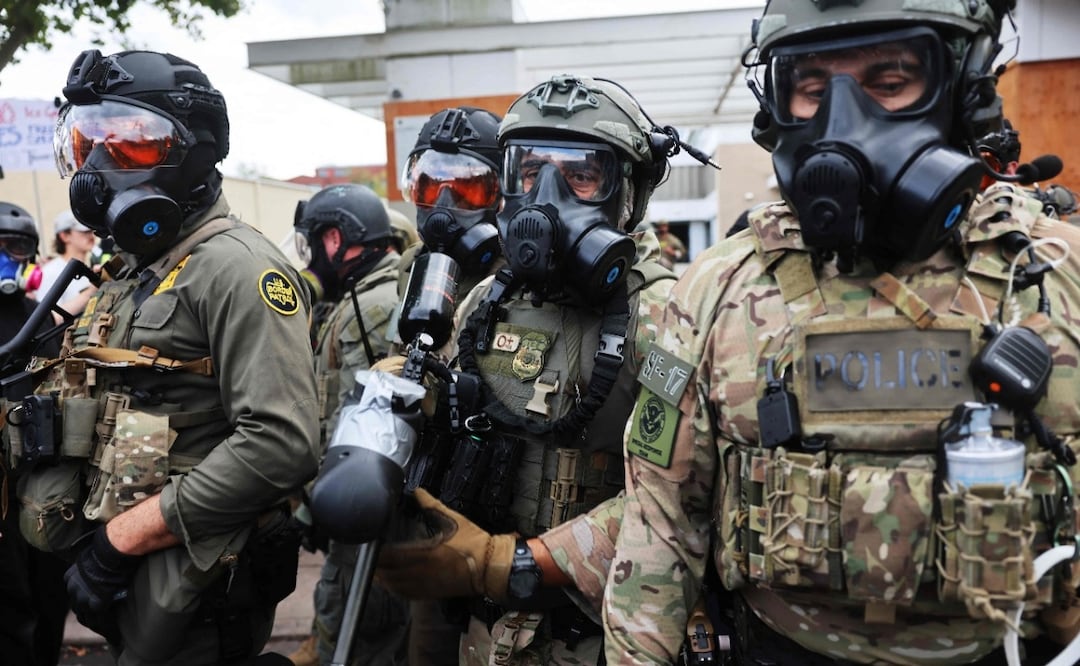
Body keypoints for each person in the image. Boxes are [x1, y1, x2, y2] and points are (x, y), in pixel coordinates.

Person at [601, 1, 1080, 664]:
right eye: (814, 91)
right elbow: (658, 529)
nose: (844, 122)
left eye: (890, 83)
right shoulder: (713, 288)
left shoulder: (1057, 278)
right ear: (777, 108)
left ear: (964, 92)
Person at [10, 49, 319, 665]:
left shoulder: (238, 268)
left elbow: (282, 443)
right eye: (88, 143)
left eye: (130, 144)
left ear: (195, 153)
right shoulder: (135, 271)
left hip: (196, 588)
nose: (98, 167)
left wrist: (121, 541)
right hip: (141, 587)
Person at [379, 74, 678, 666]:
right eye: (528, 172)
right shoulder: (487, 298)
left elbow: (674, 499)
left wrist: (509, 564)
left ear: (628, 196)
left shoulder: (669, 316)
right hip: (485, 634)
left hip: (600, 635)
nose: (545, 197)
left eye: (581, 175)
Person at [289, 183, 405, 666]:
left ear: (335, 240)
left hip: (364, 502)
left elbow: (359, 419)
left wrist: (313, 503)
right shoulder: (361, 295)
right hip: (352, 495)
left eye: (316, 241)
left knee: (358, 623)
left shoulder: (373, 307)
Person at [0, 202, 70, 666]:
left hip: (39, 476)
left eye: (17, 246)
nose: (7, 256)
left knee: (50, 594)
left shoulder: (39, 316)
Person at [36, 211, 98, 308]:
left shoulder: (89, 267)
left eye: (91, 230)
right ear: (64, 236)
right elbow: (48, 319)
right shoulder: (51, 272)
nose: (91, 235)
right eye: (84, 231)